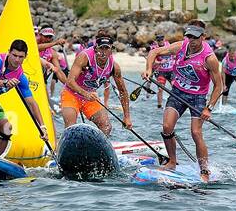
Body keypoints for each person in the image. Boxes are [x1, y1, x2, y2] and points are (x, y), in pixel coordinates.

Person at [143, 21, 223, 181]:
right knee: (167, 126)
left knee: (195, 132)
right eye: (189, 36)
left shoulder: (210, 59)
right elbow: (154, 53)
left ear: (203, 37)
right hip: (178, 92)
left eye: (195, 37)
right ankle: (172, 161)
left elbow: (219, 86)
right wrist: (148, 70)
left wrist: (209, 108)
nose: (191, 41)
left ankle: (205, 171)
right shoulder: (180, 46)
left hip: (198, 97)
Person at [59, 33, 131, 136]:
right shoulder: (84, 57)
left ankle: (95, 149)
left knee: (106, 127)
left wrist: (127, 117)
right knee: (71, 128)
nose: (103, 52)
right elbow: (70, 81)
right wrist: (86, 94)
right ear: (95, 49)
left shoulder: (114, 67)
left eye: (107, 49)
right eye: (101, 49)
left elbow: (123, 92)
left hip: (90, 98)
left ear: (111, 50)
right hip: (71, 94)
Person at [149, 32, 177, 109]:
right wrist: (160, 62)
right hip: (160, 72)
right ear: (156, 41)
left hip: (171, 71)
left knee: (175, 87)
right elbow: (152, 62)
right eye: (159, 40)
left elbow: (175, 54)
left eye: (162, 40)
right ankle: (159, 106)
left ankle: (175, 104)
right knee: (161, 89)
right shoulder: (154, 49)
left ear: (164, 39)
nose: (161, 41)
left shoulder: (169, 46)